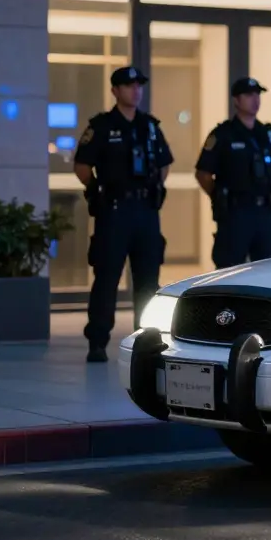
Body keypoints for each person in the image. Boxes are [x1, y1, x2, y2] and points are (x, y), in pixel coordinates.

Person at [73, 66, 173, 363]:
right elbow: (82, 166)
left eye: (139, 85)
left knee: (147, 279)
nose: (136, 90)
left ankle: (145, 338)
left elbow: (165, 163)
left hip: (145, 211)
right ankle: (98, 340)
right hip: (114, 212)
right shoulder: (102, 126)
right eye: (129, 86)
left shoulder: (150, 126)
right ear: (115, 90)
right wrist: (97, 190)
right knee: (107, 276)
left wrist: (153, 187)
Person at [196, 77, 271, 270]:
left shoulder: (267, 134)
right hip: (236, 214)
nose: (255, 100)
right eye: (249, 95)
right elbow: (203, 174)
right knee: (230, 272)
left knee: (269, 272)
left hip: (265, 213)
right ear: (237, 101)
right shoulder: (223, 134)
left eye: (258, 95)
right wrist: (221, 195)